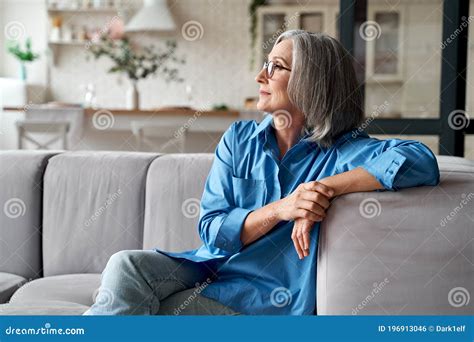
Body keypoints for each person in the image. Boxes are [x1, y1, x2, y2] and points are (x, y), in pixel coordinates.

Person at [83, 30, 439, 315]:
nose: (260, 76)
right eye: (265, 65)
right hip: (212, 268)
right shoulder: (240, 139)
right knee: (126, 265)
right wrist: (283, 207)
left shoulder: (344, 152)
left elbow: (420, 160)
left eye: (275, 67)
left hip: (262, 299)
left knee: (155, 310)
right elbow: (212, 231)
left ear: (310, 81)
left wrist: (323, 187)